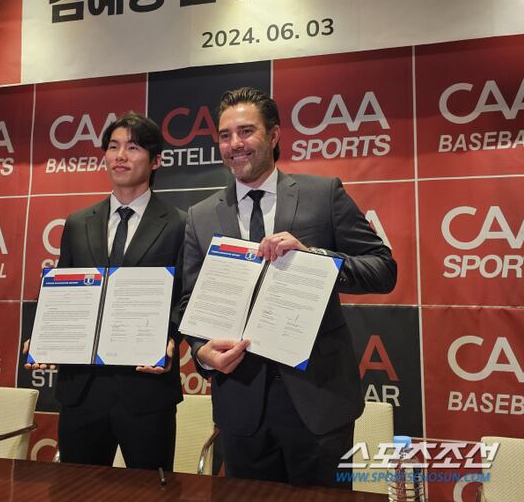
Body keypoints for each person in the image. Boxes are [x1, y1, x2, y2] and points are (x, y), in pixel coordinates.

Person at [179, 87, 397, 487]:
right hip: (240, 404)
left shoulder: (323, 195)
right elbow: (190, 301)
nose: (234, 144)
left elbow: (383, 270)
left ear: (274, 135)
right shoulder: (201, 215)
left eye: (246, 131)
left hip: (319, 403)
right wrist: (201, 352)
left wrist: (313, 257)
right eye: (225, 135)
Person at [25, 112, 186, 470]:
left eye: (133, 147)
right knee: (75, 490)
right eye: (113, 147)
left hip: (146, 388)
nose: (120, 156)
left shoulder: (180, 224)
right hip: (82, 389)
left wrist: (172, 337)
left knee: (151, 492)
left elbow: (187, 296)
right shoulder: (78, 222)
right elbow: (63, 289)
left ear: (156, 160)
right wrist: (45, 336)